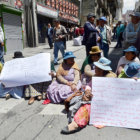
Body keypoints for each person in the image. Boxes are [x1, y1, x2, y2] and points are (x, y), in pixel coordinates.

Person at [61, 57, 116, 134]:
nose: (95, 70)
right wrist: (87, 91)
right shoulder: (96, 76)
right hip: (93, 98)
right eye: (95, 67)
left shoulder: (111, 77)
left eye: (97, 68)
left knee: (86, 107)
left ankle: (77, 124)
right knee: (80, 101)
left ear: (103, 70)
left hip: (105, 102)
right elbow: (88, 85)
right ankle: (76, 120)